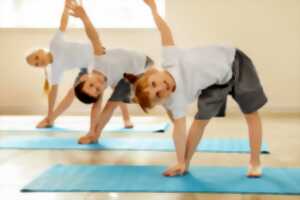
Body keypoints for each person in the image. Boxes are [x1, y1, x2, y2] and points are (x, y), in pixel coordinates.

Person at [126, 0, 268, 177]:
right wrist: (180, 161)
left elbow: (164, 30)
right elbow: (178, 132)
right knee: (199, 122)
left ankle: (255, 162)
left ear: (153, 72)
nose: (162, 87)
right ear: (163, 100)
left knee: (251, 113)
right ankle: (185, 164)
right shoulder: (175, 101)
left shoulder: (171, 60)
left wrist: (153, 8)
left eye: (155, 83)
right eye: (158, 95)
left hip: (235, 62)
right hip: (215, 84)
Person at [26, 0, 134, 130]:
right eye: (36, 64)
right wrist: (49, 114)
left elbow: (63, 24)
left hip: (96, 54)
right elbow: (53, 92)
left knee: (115, 85)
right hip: (86, 67)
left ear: (40, 50)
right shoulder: (55, 69)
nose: (39, 62)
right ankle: (51, 119)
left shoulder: (54, 44)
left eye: (37, 57)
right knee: (72, 92)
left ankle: (126, 118)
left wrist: (66, 8)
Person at [66, 0, 154, 143]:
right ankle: (95, 135)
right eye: (97, 90)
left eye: (91, 85)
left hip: (144, 63)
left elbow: (94, 37)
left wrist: (84, 17)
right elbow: (98, 109)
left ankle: (98, 132)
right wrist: (92, 132)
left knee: (122, 94)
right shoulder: (104, 86)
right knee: (112, 103)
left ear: (84, 79)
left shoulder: (98, 60)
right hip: (129, 78)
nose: (97, 86)